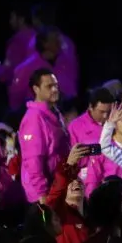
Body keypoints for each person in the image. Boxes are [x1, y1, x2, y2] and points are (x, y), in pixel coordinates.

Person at [18, 68, 70, 203]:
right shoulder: (34, 118)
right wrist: (42, 195)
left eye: (56, 85)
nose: (54, 89)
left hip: (57, 186)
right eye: (49, 86)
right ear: (36, 89)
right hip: (44, 194)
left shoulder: (55, 113)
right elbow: (33, 160)